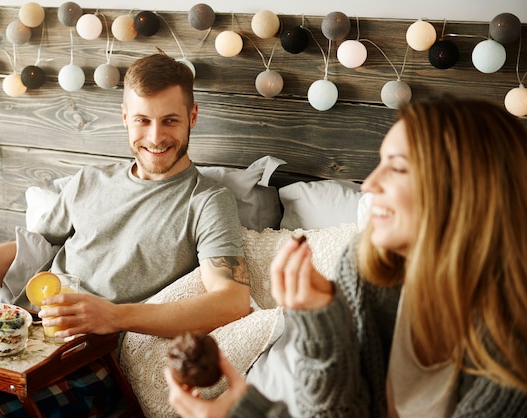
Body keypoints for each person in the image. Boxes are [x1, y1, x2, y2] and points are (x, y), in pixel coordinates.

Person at [0, 52, 251, 416]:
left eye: (171, 121)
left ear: (193, 116)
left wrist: (115, 316)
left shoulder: (208, 200)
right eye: (143, 120)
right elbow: (26, 251)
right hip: (12, 330)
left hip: (86, 362)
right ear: (125, 118)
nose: (156, 136)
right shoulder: (89, 181)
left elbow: (232, 300)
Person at [165, 97, 527, 417]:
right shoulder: (366, 265)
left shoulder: (514, 343)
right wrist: (322, 324)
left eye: (397, 168)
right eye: (378, 163)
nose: (369, 185)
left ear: (466, 193)